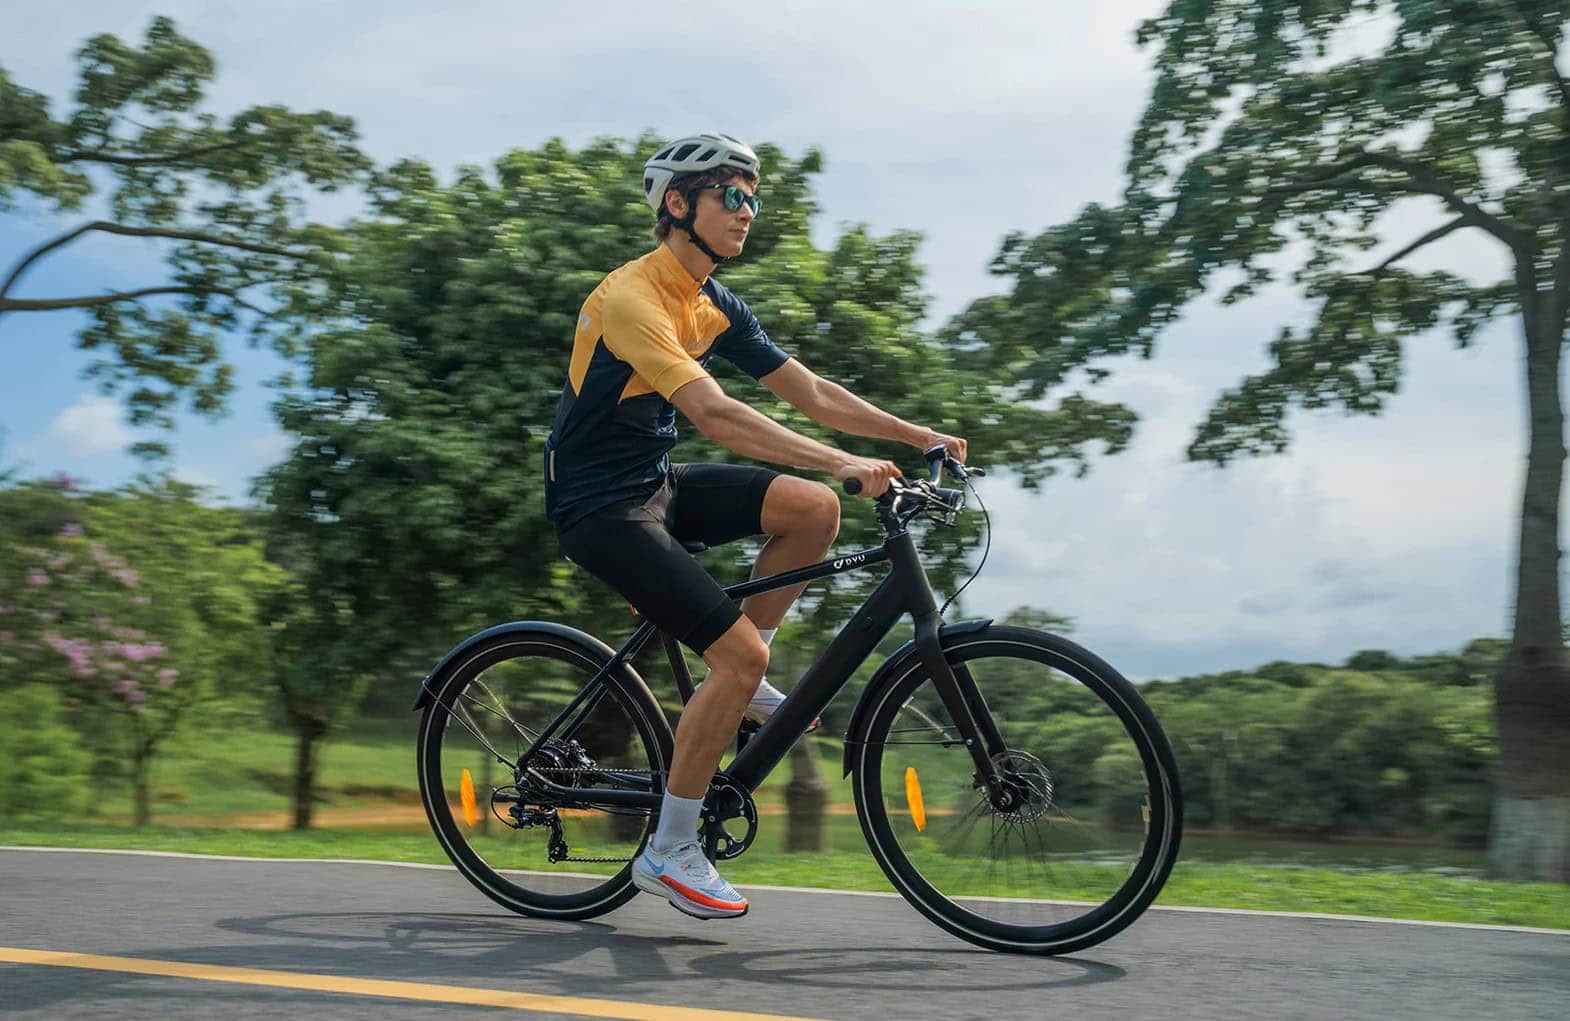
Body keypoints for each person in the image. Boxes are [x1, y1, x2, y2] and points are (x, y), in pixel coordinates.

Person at [543, 132, 966, 920]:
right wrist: (841, 459)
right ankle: (670, 847)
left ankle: (734, 690)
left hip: (655, 484)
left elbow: (811, 391)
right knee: (741, 654)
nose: (747, 211)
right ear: (679, 204)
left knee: (814, 509)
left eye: (752, 198)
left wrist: (916, 436)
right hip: (599, 507)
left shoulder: (712, 301)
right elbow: (716, 413)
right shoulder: (632, 297)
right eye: (731, 196)